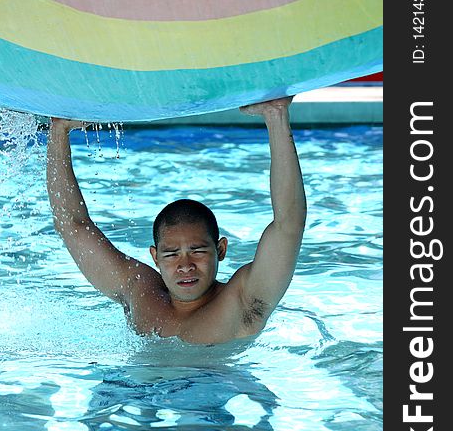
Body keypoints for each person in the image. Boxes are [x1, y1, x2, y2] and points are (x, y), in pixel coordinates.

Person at [46, 96, 306, 344]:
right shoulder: (140, 293)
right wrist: (58, 131)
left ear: (221, 249)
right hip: (129, 389)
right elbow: (72, 226)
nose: (185, 266)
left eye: (197, 251)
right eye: (171, 254)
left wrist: (276, 115)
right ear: (155, 256)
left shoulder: (242, 302)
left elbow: (288, 225)